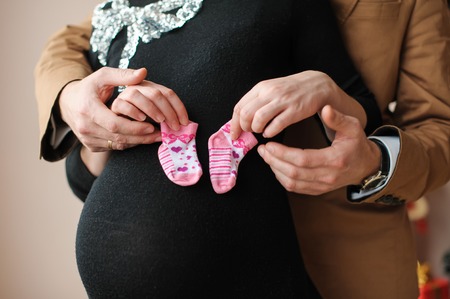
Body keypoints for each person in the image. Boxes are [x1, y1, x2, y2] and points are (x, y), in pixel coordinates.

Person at [34, 0, 450, 298]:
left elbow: (440, 129)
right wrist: (73, 100)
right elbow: (80, 36)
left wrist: (371, 160)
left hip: (343, 265)